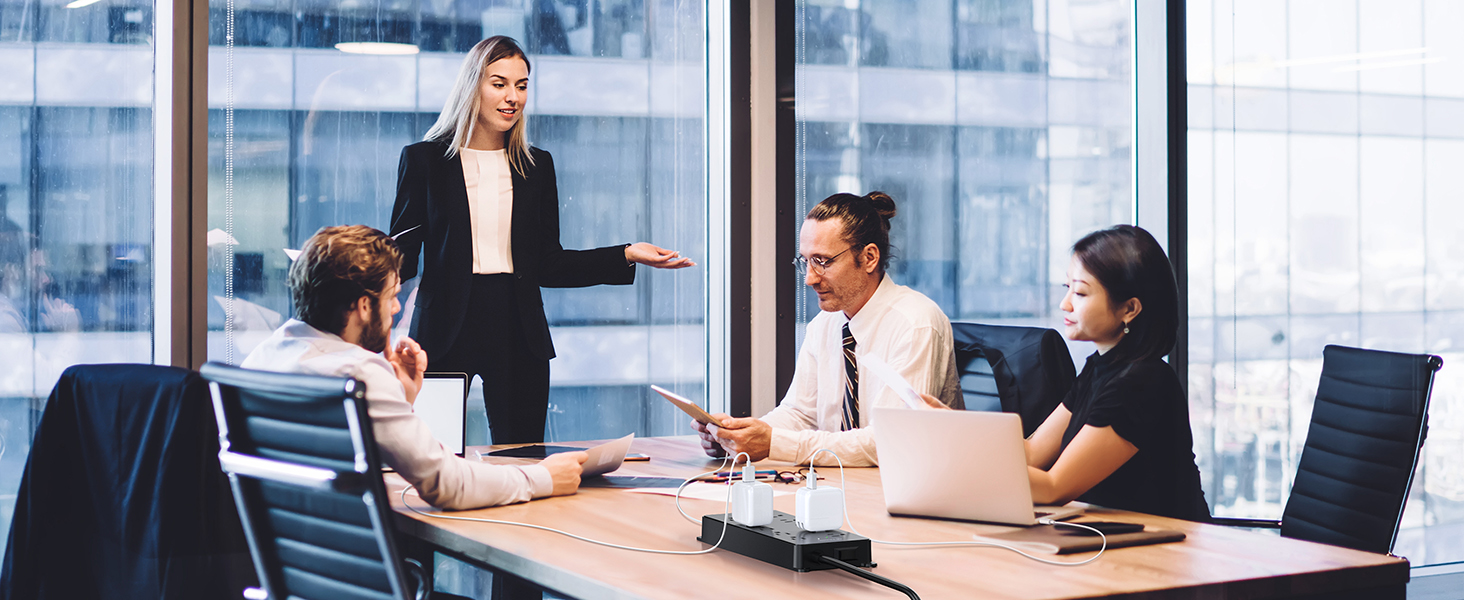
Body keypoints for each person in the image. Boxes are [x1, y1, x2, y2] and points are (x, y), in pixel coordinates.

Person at [390, 35, 692, 446]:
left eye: (522, 85)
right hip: (442, 329)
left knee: (523, 457)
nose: (512, 96)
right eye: (499, 83)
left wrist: (626, 254)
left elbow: (548, 263)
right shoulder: (424, 161)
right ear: (472, 86)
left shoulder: (536, 166)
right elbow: (402, 256)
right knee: (432, 453)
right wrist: (350, 278)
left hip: (518, 328)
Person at [243, 225, 588, 510]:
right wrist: (542, 477)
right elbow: (447, 485)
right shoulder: (359, 374)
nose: (395, 308)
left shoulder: (264, 356)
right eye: (391, 296)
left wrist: (403, 396)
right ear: (364, 306)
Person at [923, 225, 1209, 521]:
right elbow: (1032, 452)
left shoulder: (1140, 382)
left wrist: (957, 452)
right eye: (1067, 288)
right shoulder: (1101, 367)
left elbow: (1053, 488)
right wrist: (952, 428)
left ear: (1130, 309)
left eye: (1081, 292)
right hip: (1117, 539)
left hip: (1164, 551)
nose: (1065, 304)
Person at [693, 192, 960, 467]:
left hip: (909, 491)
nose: (809, 278)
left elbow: (891, 441)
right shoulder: (825, 324)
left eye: (823, 261)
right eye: (805, 261)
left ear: (869, 257)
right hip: (844, 485)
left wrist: (773, 443)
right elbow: (800, 415)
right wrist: (739, 437)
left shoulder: (915, 324)